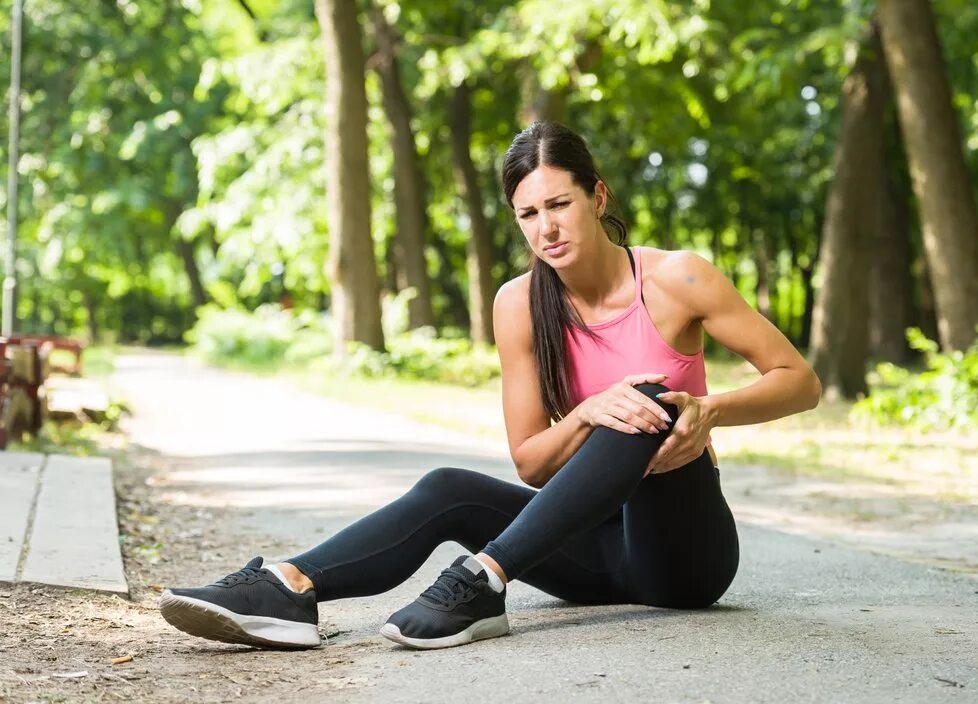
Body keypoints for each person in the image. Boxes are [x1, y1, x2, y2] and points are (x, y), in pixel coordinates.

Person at [159, 121, 821, 651]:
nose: (547, 228)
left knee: (644, 400)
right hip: (595, 554)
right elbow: (532, 461)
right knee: (450, 488)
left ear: (598, 197)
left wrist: (708, 411)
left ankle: (484, 579)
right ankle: (289, 586)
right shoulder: (518, 304)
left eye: (560, 204)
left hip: (685, 555)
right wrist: (588, 411)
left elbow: (800, 382)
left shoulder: (677, 279)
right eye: (528, 214)